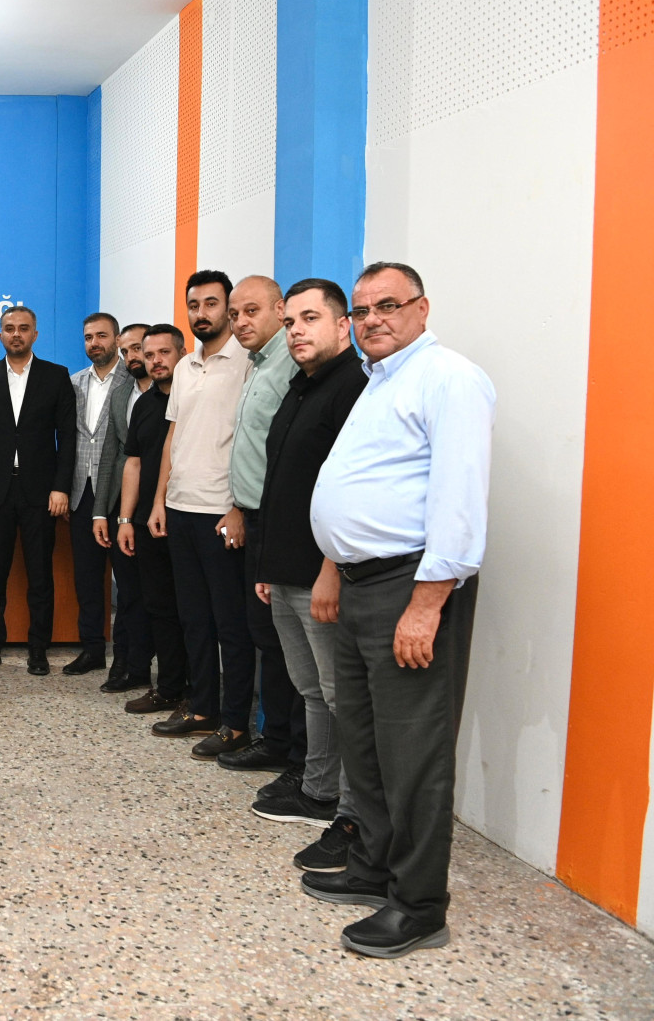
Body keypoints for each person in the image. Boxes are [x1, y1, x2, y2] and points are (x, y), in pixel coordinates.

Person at [302, 262, 493, 959]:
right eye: (362, 310)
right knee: (365, 742)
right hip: (360, 586)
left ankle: (418, 906)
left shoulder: (449, 378)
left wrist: (427, 603)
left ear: (422, 308)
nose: (372, 319)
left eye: (388, 305)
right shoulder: (382, 380)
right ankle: (374, 867)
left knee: (414, 754)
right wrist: (333, 566)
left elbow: (459, 499)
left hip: (408, 588)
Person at [250, 278, 367, 872]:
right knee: (311, 689)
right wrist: (268, 563)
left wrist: (330, 571)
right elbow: (283, 482)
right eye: (291, 320)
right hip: (286, 569)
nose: (297, 330)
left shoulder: (353, 388)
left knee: (338, 694)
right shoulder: (302, 385)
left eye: (311, 318)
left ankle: (350, 809)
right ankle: (318, 789)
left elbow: (349, 494)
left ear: (343, 325)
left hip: (321, 574)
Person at [145, 270, 257, 758]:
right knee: (194, 618)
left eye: (211, 304)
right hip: (180, 508)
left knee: (230, 623)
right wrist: (159, 501)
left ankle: (236, 722)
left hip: (220, 514)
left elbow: (252, 440)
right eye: (194, 305)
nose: (201, 313)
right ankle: (202, 708)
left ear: (227, 309)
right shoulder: (187, 366)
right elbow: (174, 435)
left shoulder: (248, 363)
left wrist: (238, 507)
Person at [217, 275, 306, 775]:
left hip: (278, 522)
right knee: (266, 634)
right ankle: (276, 740)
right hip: (253, 516)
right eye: (235, 314)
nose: (240, 322)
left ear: (279, 309)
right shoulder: (259, 364)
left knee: (281, 640)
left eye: (251, 311)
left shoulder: (290, 364)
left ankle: (290, 749)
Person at [0, 306, 77, 676]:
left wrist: (61, 487)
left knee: (40, 576)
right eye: (10, 328)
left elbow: (68, 437)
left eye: (24, 328)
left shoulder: (56, 376)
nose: (16, 334)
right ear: (0, 335)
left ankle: (38, 649)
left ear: (35, 334)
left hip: (41, 494)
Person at [94, 325, 191, 717]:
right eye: (149, 356)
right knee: (158, 607)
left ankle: (197, 693)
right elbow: (131, 463)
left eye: (162, 353)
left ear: (182, 353)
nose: (155, 361)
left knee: (191, 611)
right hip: (145, 523)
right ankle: (167, 688)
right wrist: (125, 518)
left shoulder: (194, 397)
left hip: (185, 517)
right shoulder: (144, 404)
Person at [66, 314, 154, 690]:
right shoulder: (73, 383)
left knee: (128, 584)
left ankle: (126, 657)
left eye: (102, 336)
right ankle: (91, 649)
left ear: (115, 339)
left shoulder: (133, 379)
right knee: (87, 578)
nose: (94, 343)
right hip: (81, 492)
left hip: (123, 496)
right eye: (88, 337)